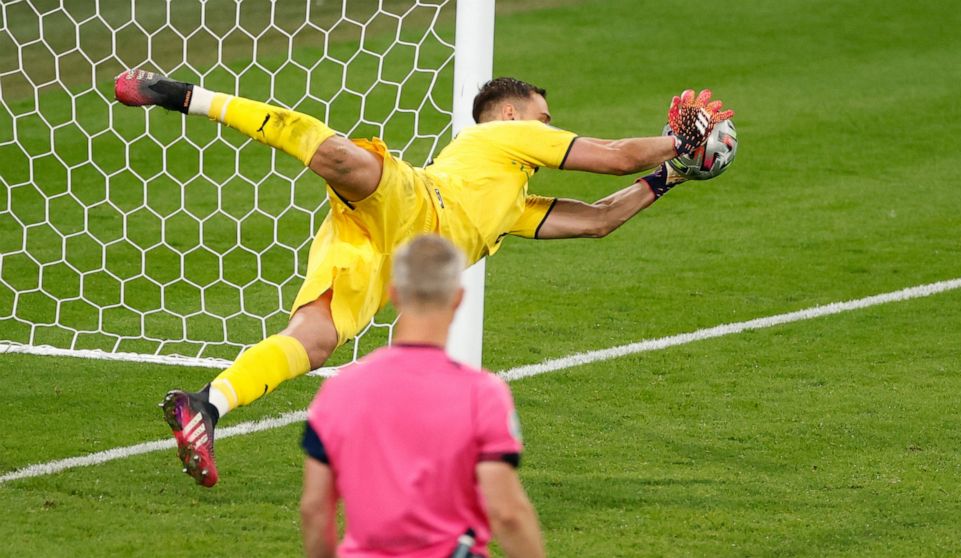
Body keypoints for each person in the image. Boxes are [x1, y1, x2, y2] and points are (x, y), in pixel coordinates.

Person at [115, 69, 733, 486]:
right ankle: (177, 94)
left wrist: (672, 175)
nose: (548, 127)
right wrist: (678, 138)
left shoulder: (512, 204)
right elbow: (618, 156)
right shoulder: (501, 134)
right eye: (544, 117)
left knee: (314, 343)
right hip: (413, 201)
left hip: (382, 255)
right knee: (335, 155)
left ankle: (207, 406)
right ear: (513, 114)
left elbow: (598, 220)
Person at [300, 234, 544, 558]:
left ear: (394, 295)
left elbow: (314, 508)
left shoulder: (340, 389)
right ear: (457, 298)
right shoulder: (482, 395)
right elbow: (508, 513)